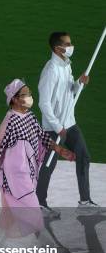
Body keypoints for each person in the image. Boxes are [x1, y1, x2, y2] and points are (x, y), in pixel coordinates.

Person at [0, 79, 75, 237]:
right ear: (15, 99)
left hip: (28, 171)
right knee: (34, 210)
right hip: (16, 175)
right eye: (26, 94)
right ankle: (48, 250)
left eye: (29, 93)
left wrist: (61, 150)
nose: (30, 96)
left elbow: (42, 136)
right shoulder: (10, 121)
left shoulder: (29, 116)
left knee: (9, 213)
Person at [36, 31, 97, 214]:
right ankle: (39, 202)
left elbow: (71, 89)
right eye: (68, 43)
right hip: (54, 128)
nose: (71, 46)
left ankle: (85, 200)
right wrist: (57, 127)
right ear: (58, 48)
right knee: (49, 163)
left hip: (70, 123)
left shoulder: (66, 65)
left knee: (84, 156)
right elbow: (43, 103)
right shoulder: (50, 71)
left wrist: (79, 83)